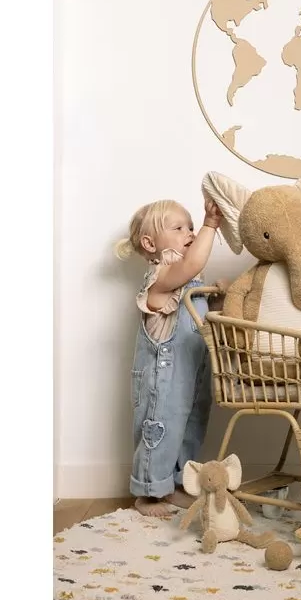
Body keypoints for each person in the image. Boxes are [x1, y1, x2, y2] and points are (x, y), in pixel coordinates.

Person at [115, 196, 223, 515]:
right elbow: (191, 264)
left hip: (191, 376)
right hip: (161, 381)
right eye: (179, 228)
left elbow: (202, 316)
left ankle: (174, 484)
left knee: (189, 427)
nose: (190, 232)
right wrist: (211, 224)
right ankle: (148, 492)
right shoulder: (160, 280)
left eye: (191, 227)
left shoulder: (190, 283)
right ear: (150, 244)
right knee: (160, 426)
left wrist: (218, 298)